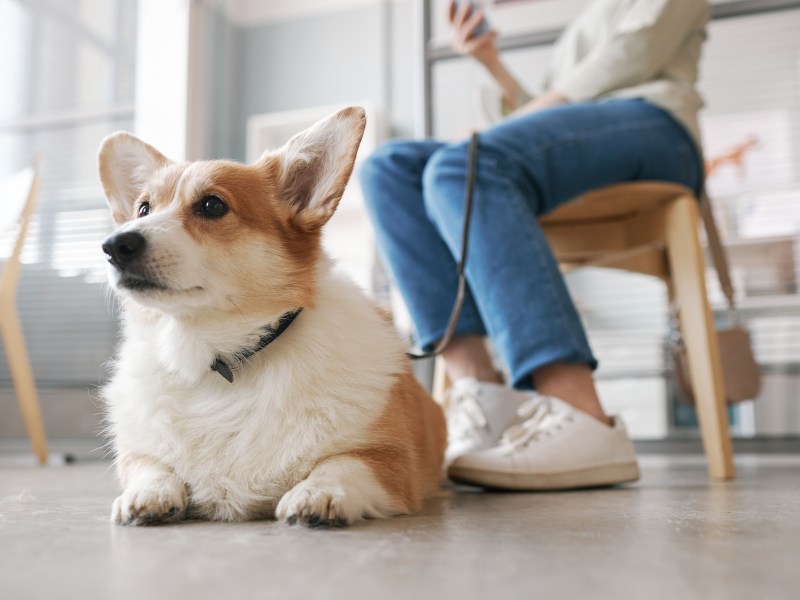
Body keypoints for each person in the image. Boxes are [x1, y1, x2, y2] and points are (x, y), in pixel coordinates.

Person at [358, 0, 709, 490]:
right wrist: (490, 61)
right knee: (389, 168)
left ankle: (580, 411)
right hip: (593, 131)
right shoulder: (590, 17)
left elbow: (629, 59)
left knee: (463, 165)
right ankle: (484, 397)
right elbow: (546, 113)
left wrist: (491, 134)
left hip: (656, 128)